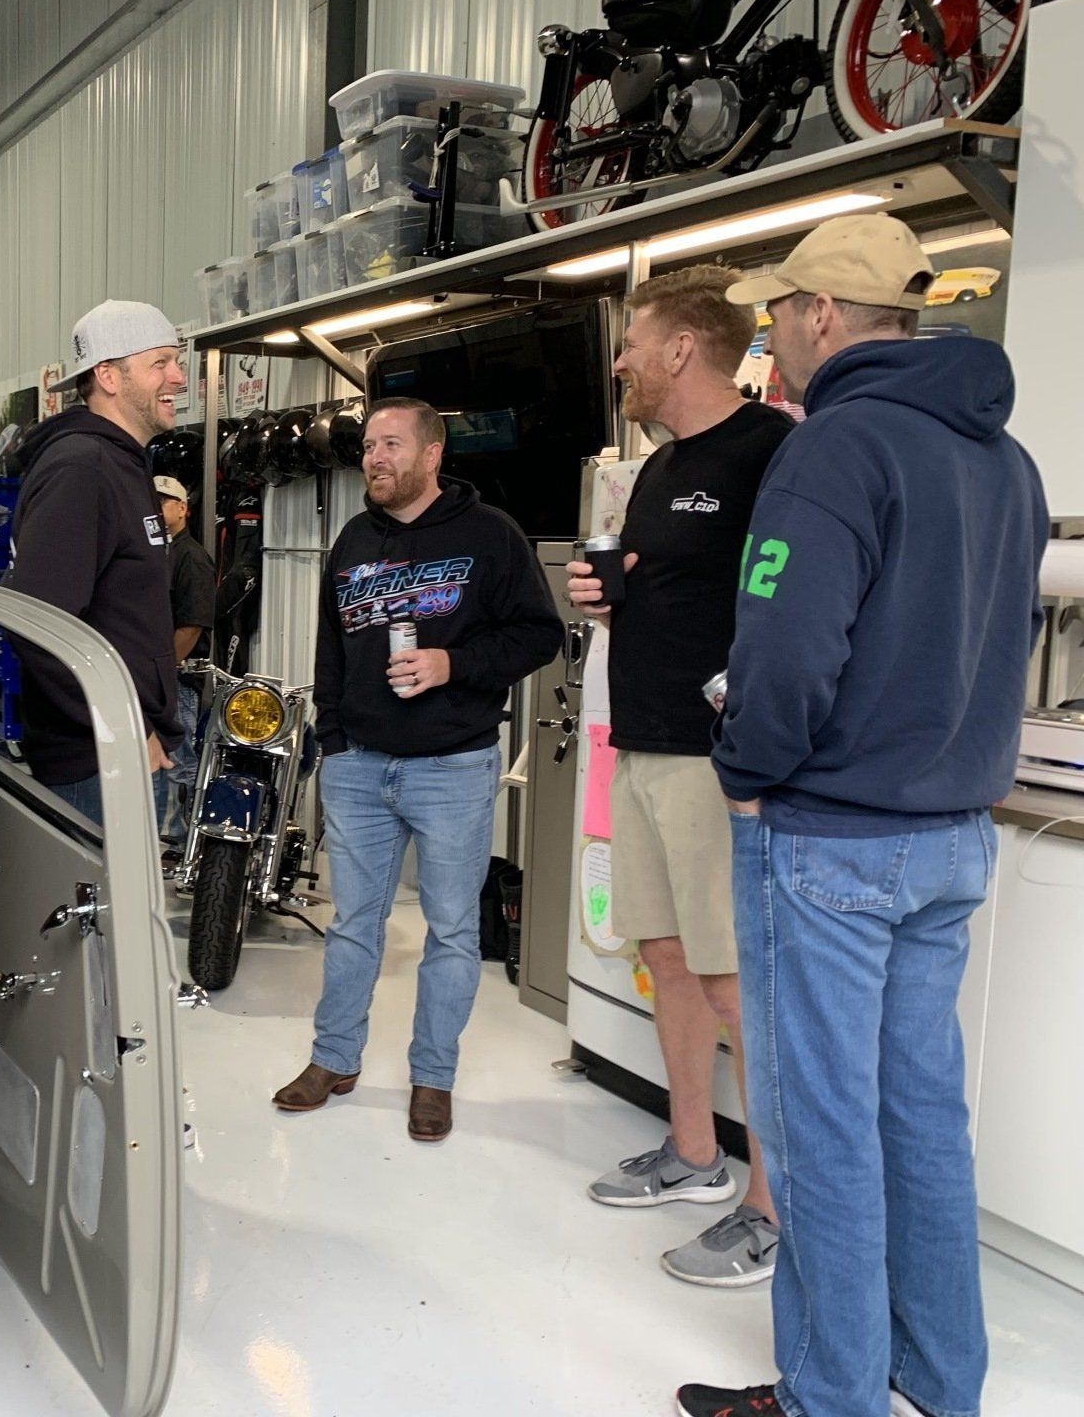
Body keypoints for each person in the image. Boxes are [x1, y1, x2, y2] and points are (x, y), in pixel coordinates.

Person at [677, 215, 1047, 1417]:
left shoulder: (834, 446)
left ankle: (830, 1397)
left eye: (779, 311)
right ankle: (939, 1382)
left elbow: (786, 649)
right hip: (952, 836)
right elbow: (1000, 642)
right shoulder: (1006, 458)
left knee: (821, 1126)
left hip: (832, 839)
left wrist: (747, 766)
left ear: (823, 315)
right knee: (920, 1119)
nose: (771, 335)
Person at [566, 265, 792, 1288]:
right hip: (643, 741)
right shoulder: (659, 465)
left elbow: (791, 603)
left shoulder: (772, 453)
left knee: (736, 979)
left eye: (632, 343)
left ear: (680, 349)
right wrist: (611, 597)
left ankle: (773, 1207)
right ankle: (696, 1152)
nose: (620, 361)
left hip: (718, 759)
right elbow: (675, 589)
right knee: (664, 952)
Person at [273, 397, 562, 1142]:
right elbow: (330, 647)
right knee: (353, 926)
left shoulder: (490, 535)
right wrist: (334, 737)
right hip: (359, 766)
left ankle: (433, 1078)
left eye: (392, 444)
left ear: (433, 454)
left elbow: (539, 636)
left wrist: (451, 664)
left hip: (453, 767)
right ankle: (333, 1059)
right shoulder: (352, 538)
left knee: (453, 931)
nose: (375, 457)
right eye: (370, 445)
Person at [4, 300, 189, 826]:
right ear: (108, 376)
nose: (179, 377)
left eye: (177, 362)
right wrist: (124, 728)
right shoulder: (83, 468)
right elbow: (40, 627)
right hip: (99, 765)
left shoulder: (121, 463)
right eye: (160, 363)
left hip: (122, 752)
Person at [153, 473, 214, 846]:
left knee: (181, 763)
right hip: (161, 676)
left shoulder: (190, 557)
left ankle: (184, 844)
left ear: (182, 509)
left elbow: (192, 625)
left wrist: (163, 669)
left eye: (163, 502)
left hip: (178, 678)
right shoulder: (160, 553)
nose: (156, 508)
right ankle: (167, 839)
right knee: (164, 761)